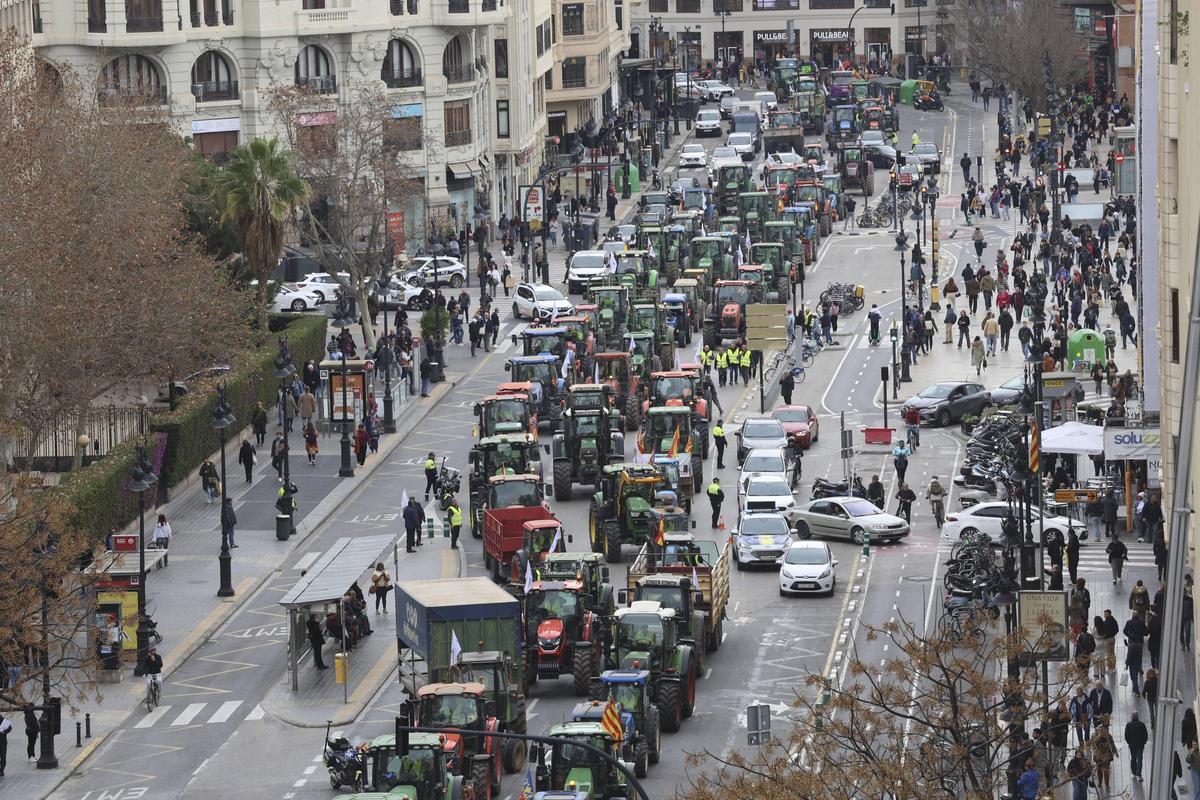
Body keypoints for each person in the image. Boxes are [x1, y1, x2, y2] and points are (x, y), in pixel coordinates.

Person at [1090, 721, 1116, 794]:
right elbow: (1092, 743)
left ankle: (1107, 785)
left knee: (1106, 770)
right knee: (1099, 769)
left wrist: (1115, 751)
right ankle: (1100, 783)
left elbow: (1112, 743)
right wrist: (1099, 736)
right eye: (1100, 730)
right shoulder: (1094, 735)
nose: (1102, 731)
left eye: (1103, 730)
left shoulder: (1108, 735)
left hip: (1107, 756)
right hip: (1098, 756)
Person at [1125, 711, 1148, 782]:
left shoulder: (1129, 725)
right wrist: (1143, 742)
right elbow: (1145, 735)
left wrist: (1129, 742)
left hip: (1132, 745)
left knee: (1133, 758)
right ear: (1138, 717)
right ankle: (1139, 773)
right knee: (1139, 759)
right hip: (1140, 745)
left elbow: (1126, 735)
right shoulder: (1142, 725)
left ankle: (1134, 771)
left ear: (1132, 717)